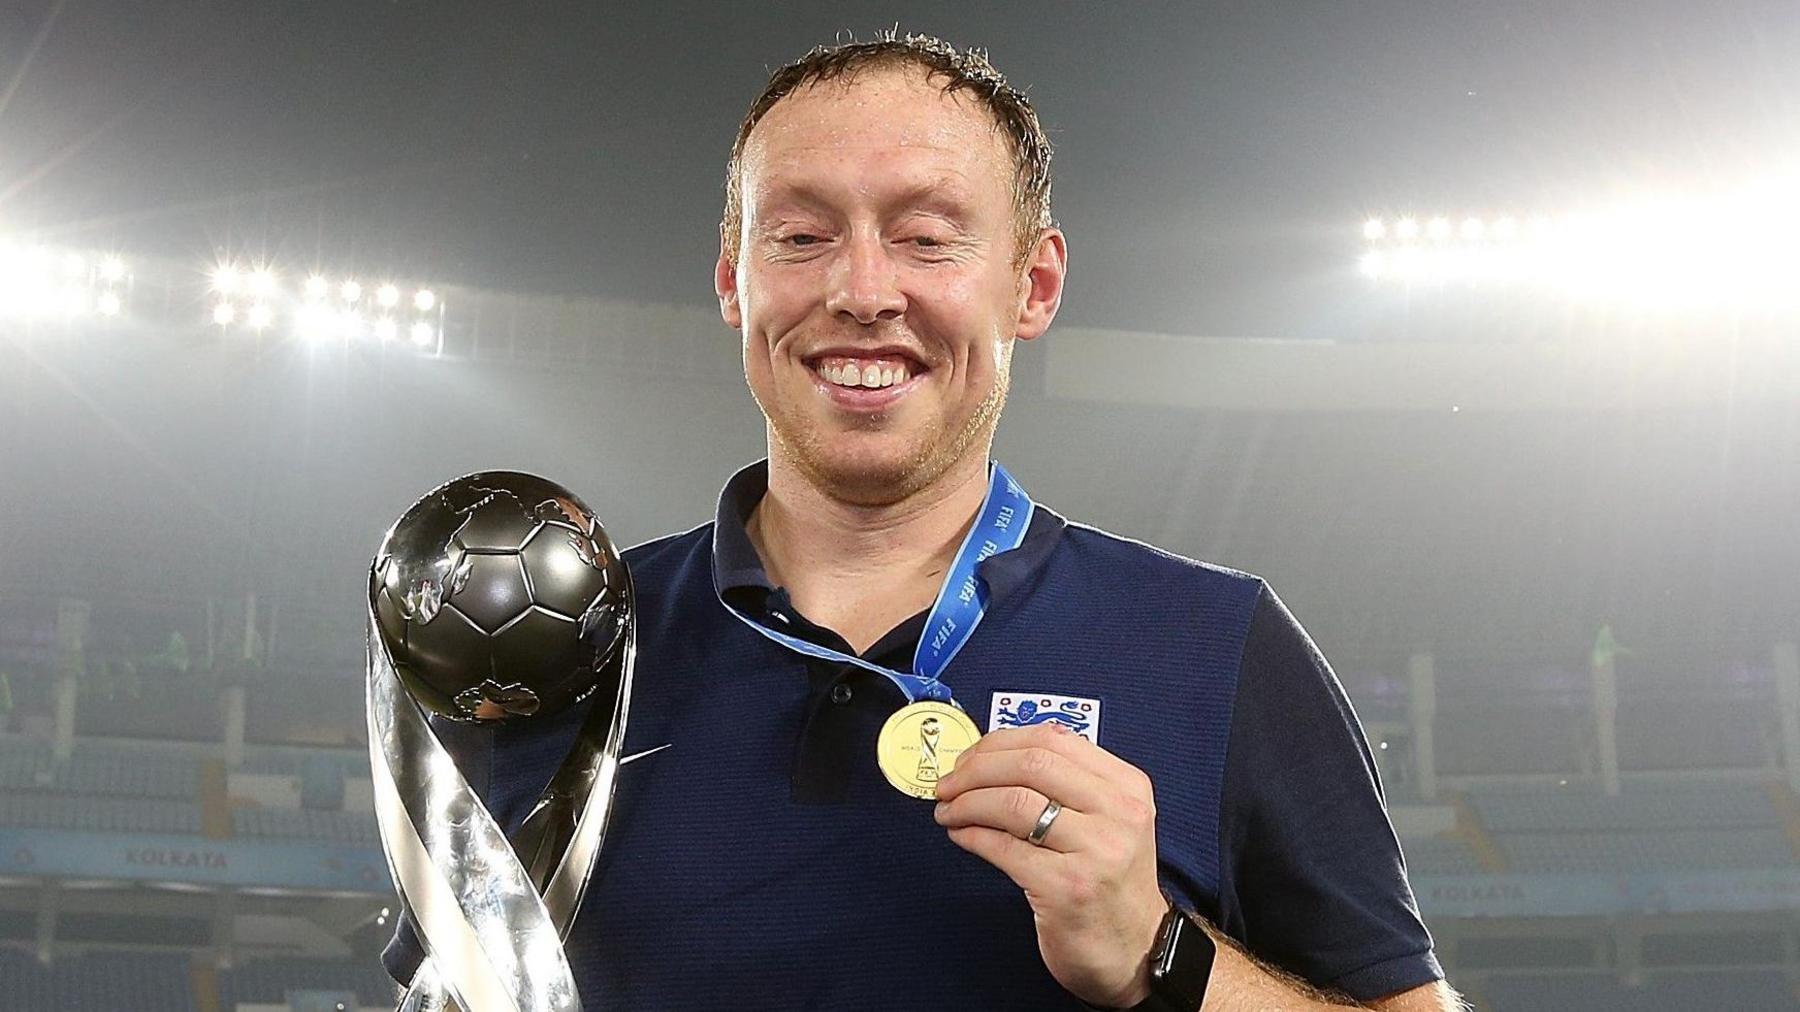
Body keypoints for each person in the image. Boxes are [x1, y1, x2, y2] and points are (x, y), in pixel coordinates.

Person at [387, 32, 1461, 1011]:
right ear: (733, 280)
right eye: (801, 235)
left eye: (928, 238)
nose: (861, 289)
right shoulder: (561, 648)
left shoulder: (1214, 646)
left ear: (1031, 286)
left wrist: (1161, 953)